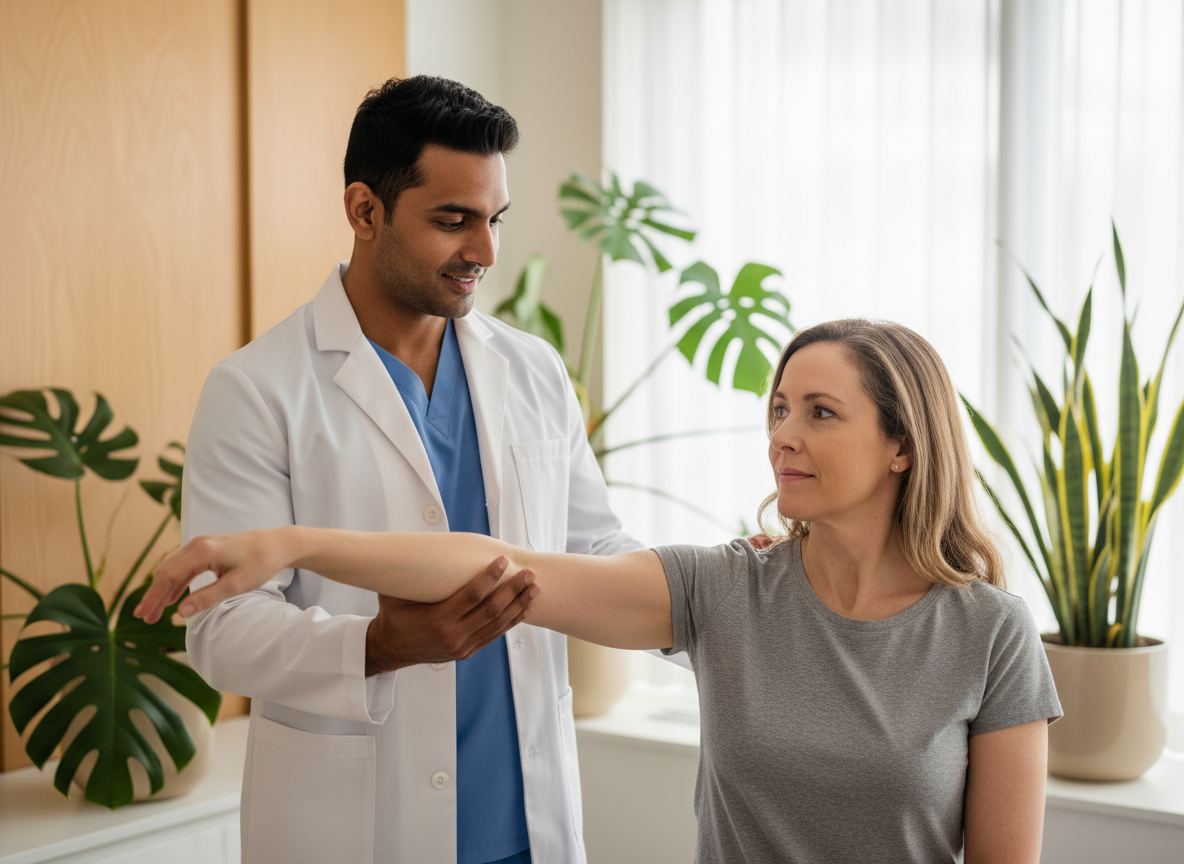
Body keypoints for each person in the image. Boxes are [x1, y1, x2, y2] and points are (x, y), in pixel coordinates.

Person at [144, 318, 1063, 863]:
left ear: (903, 444)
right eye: (779, 408)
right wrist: (291, 543)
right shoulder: (726, 591)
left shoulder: (989, 633)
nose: (785, 433)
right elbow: (495, 563)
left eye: (821, 413)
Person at [180, 75, 642, 864]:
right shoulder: (256, 389)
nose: (485, 253)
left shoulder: (530, 370)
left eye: (495, 220)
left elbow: (595, 552)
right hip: (355, 828)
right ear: (365, 211)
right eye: (454, 221)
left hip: (526, 825)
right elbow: (222, 630)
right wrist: (377, 645)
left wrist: (726, 585)